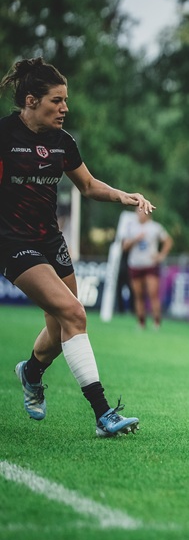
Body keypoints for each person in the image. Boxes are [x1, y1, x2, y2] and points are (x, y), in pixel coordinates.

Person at [1, 57, 142, 437]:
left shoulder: (63, 142)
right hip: (13, 243)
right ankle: (103, 415)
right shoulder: (4, 136)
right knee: (74, 315)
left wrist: (122, 196)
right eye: (56, 101)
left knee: (62, 325)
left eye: (65, 100)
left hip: (51, 241)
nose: (65, 108)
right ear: (31, 101)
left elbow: (89, 185)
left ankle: (31, 371)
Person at [120, 207, 173, 330]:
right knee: (138, 295)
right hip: (135, 264)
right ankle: (141, 322)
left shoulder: (155, 227)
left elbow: (168, 241)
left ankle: (156, 322)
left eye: (141, 211)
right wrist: (135, 239)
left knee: (153, 293)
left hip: (150, 265)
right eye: (137, 211)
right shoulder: (131, 227)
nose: (139, 214)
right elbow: (124, 246)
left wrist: (161, 255)